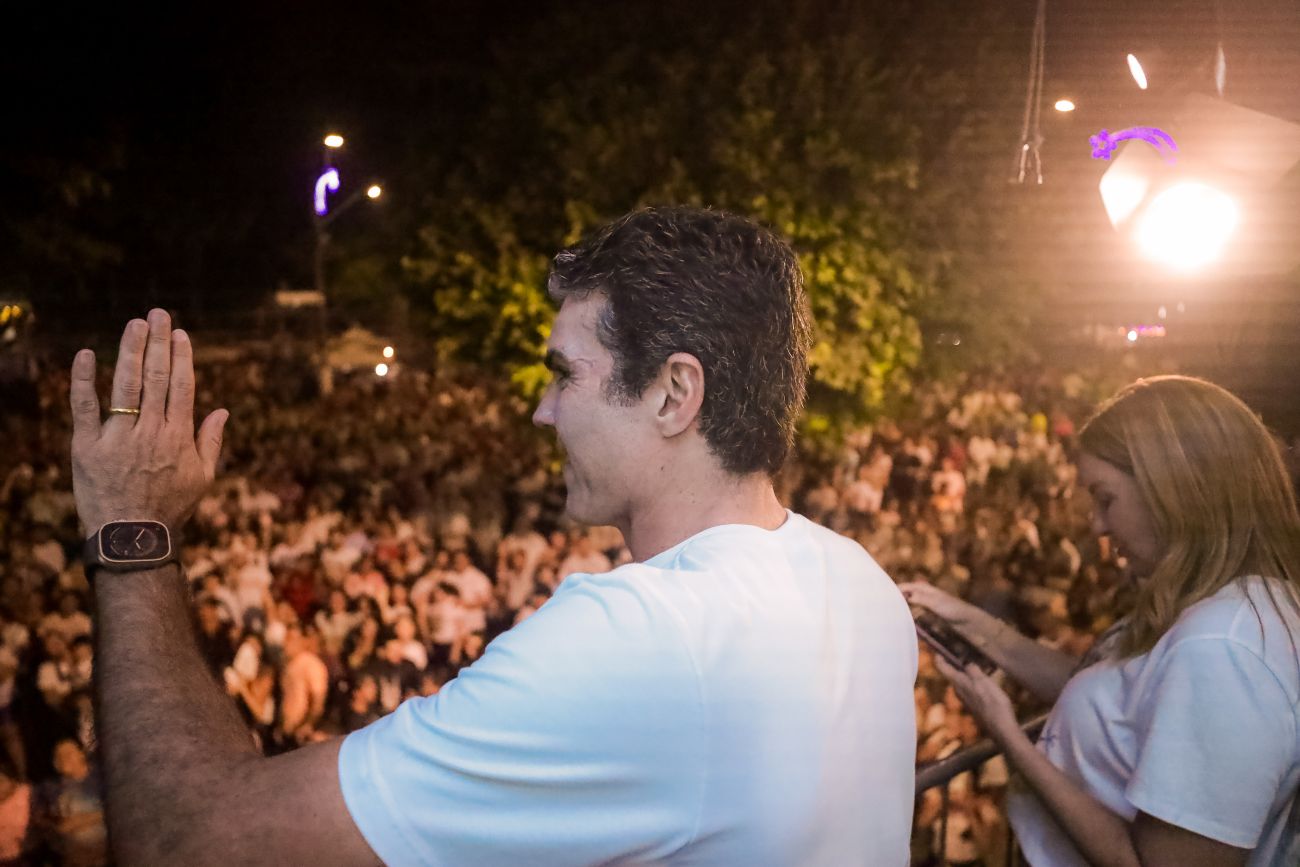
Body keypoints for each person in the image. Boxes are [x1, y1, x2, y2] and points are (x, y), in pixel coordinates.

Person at [68, 206, 917, 865]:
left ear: (673, 394)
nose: (543, 411)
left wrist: (132, 528)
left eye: (565, 375)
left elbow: (192, 841)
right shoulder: (861, 584)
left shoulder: (637, 639)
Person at [904, 375, 1300, 867]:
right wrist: (973, 625)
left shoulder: (1223, 649)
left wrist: (1010, 738)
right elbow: (1111, 694)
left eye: (1106, 498)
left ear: (1172, 489)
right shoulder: (1225, 610)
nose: (1097, 525)